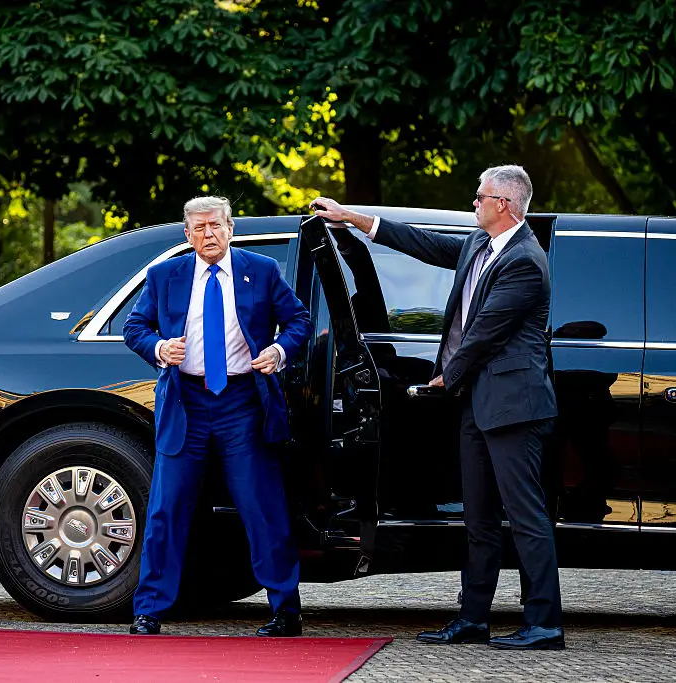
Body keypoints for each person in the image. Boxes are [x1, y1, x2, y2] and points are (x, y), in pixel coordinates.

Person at [311, 164, 564, 650]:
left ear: (504, 205)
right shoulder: (478, 246)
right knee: (479, 518)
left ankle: (544, 624)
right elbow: (423, 243)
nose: (473, 202)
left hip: (514, 407)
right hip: (478, 404)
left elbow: (486, 331)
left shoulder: (526, 261)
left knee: (526, 518)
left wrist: (443, 378)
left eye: (479, 195)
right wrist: (354, 218)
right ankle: (473, 619)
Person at [123, 196, 313, 636]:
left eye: (216, 226)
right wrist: (157, 348)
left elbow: (299, 320)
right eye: (199, 228)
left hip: (242, 402)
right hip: (185, 401)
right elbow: (135, 328)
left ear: (231, 229)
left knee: (261, 505)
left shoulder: (261, 270)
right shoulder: (164, 274)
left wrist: (279, 350)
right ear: (186, 234)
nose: (208, 235)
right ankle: (149, 609)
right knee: (166, 507)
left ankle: (286, 610)